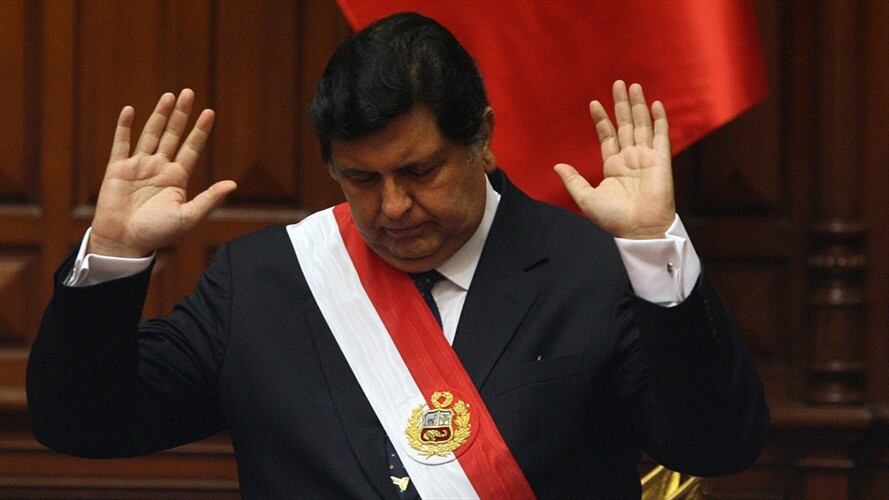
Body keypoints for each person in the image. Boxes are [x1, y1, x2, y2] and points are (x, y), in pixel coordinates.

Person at [27, 12, 767, 499]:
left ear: (482, 138)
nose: (392, 207)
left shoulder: (593, 271)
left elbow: (716, 444)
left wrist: (654, 250)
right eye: (360, 178)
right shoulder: (261, 282)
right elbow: (84, 423)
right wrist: (115, 255)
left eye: (419, 171)